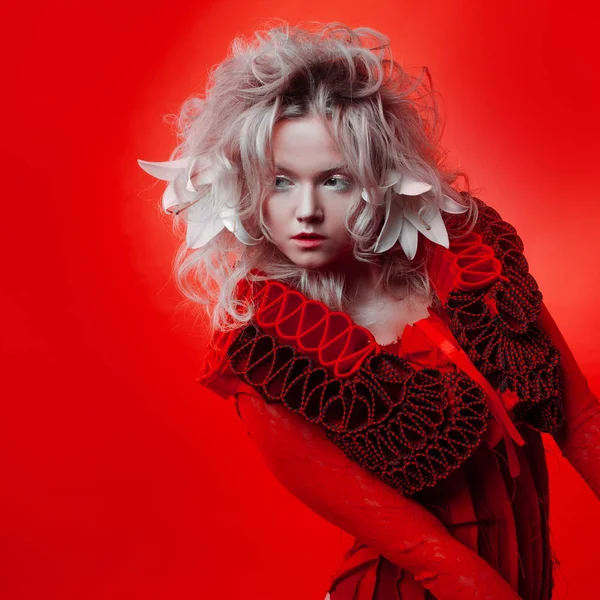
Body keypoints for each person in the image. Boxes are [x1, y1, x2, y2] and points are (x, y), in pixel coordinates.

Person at [137, 20, 600, 599]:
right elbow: (422, 550)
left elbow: (581, 423)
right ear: (246, 189)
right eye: (281, 181)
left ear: (379, 179)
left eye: (334, 180)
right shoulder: (273, 360)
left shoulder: (475, 268)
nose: (305, 210)